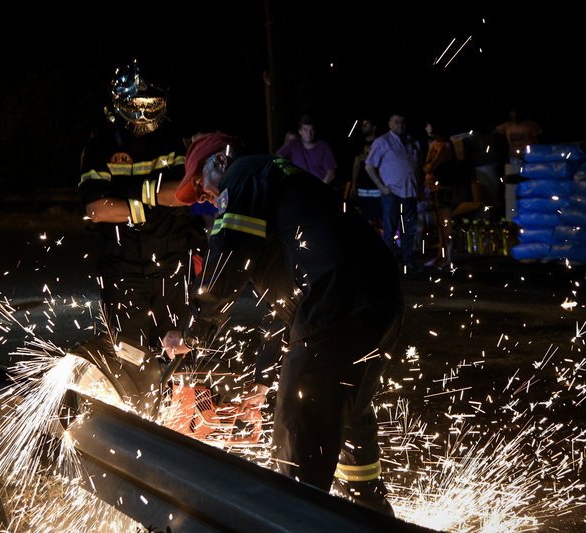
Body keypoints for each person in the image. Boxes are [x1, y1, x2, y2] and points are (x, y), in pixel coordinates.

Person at [164, 132, 404, 515]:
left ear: (220, 162)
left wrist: (192, 333)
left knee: (298, 432)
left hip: (336, 304)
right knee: (345, 411)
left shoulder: (242, 175)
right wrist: (262, 381)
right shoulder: (280, 190)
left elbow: (225, 262)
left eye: (201, 186)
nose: (207, 200)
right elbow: (287, 307)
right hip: (377, 302)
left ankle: (290, 519)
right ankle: (371, 515)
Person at [75, 60, 206, 412]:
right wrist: (151, 202)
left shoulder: (172, 141)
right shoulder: (100, 147)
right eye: (139, 105)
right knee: (129, 352)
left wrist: (129, 195)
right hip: (122, 267)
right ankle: (137, 418)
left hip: (171, 260)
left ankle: (185, 417)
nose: (146, 113)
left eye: (152, 105)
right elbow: (98, 209)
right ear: (121, 103)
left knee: (180, 346)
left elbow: (183, 190)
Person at [365, 113, 423, 272]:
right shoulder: (382, 141)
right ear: (389, 123)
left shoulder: (411, 141)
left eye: (403, 121)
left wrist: (419, 187)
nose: (400, 124)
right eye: (396, 121)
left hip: (409, 191)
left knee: (409, 229)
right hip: (392, 192)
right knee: (390, 228)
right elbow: (369, 165)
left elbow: (416, 166)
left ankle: (408, 261)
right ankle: (389, 264)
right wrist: (382, 187)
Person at [422, 120, 464, 268]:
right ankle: (441, 255)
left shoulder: (445, 146)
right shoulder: (433, 144)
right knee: (439, 223)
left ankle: (448, 257)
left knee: (445, 223)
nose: (426, 127)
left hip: (444, 188)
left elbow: (430, 166)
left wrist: (428, 167)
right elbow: (426, 165)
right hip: (434, 188)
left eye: (428, 124)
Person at [495, 105, 542, 219]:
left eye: (517, 111)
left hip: (528, 161)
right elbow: (494, 132)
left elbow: (538, 141)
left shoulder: (530, 125)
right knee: (513, 187)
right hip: (513, 161)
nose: (515, 115)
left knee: (528, 186)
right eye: (512, 111)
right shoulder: (507, 126)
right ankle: (514, 214)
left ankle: (530, 212)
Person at [275, 114, 337, 185]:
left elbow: (331, 173)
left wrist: (319, 188)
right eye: (305, 130)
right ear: (300, 131)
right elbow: (276, 158)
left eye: (311, 130)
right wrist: (288, 172)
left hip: (319, 189)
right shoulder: (293, 144)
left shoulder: (323, 147)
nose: (309, 134)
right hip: (300, 189)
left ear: (315, 131)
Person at [349, 118, 382, 232]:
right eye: (362, 125)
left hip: (378, 186)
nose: (363, 127)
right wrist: (353, 185)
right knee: (366, 217)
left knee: (380, 217)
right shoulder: (360, 144)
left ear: (374, 127)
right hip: (363, 186)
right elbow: (356, 165)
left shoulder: (380, 143)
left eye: (367, 125)